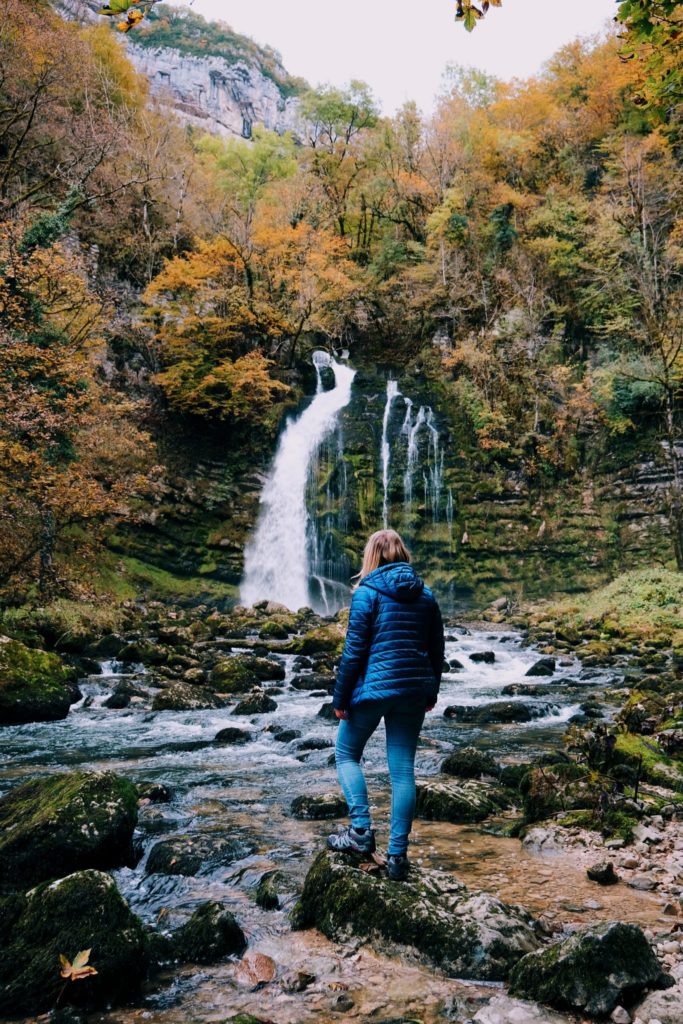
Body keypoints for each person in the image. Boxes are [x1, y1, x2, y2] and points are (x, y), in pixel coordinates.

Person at [328, 529, 445, 881]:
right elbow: (437, 651)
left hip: (373, 690)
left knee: (346, 753)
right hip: (412, 691)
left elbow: (354, 652)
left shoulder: (367, 593)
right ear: (403, 553)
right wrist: (431, 692)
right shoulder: (425, 595)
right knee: (403, 770)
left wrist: (340, 697)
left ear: (370, 557)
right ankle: (397, 856)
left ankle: (361, 831)